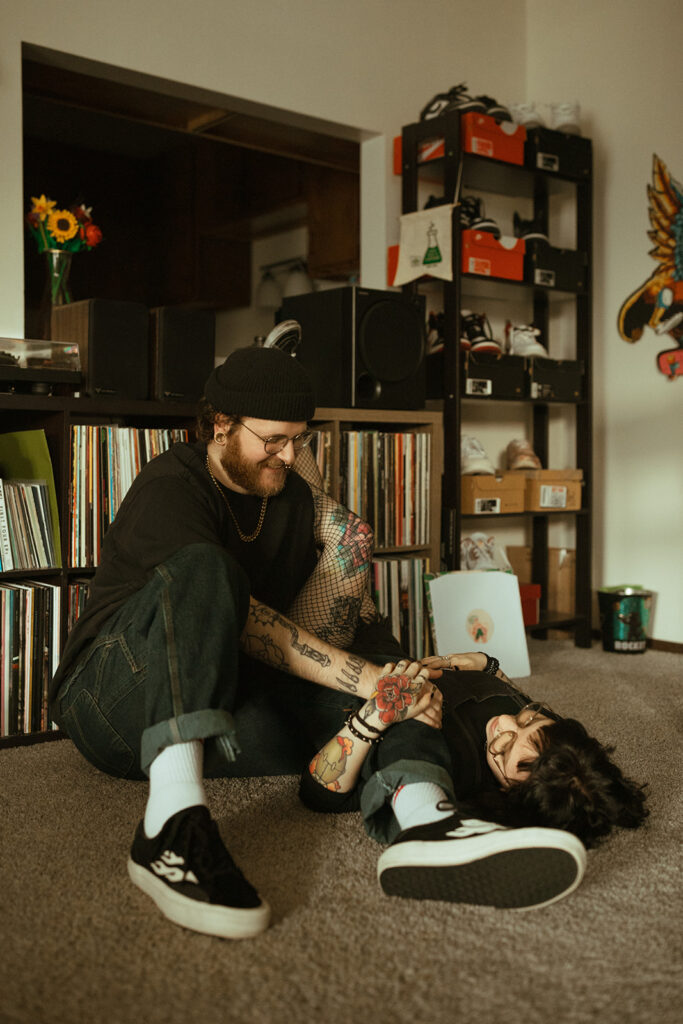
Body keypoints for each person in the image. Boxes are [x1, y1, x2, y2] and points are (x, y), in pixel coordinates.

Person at [50, 344, 586, 941]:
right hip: (113, 695)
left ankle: (425, 821)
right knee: (211, 571)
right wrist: (368, 679)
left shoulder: (293, 500)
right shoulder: (171, 485)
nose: (289, 455)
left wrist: (397, 682)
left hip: (220, 700)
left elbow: (339, 642)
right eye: (273, 440)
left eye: (299, 440)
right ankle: (174, 823)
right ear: (220, 423)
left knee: (397, 681)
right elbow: (248, 621)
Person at [301, 650, 649, 858]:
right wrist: (487, 665)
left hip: (312, 685)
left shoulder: (453, 766)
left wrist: (379, 713)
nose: (503, 724)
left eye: (504, 748)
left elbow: (319, 794)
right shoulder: (551, 745)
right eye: (529, 716)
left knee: (420, 715)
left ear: (509, 792)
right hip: (374, 645)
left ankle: (428, 823)